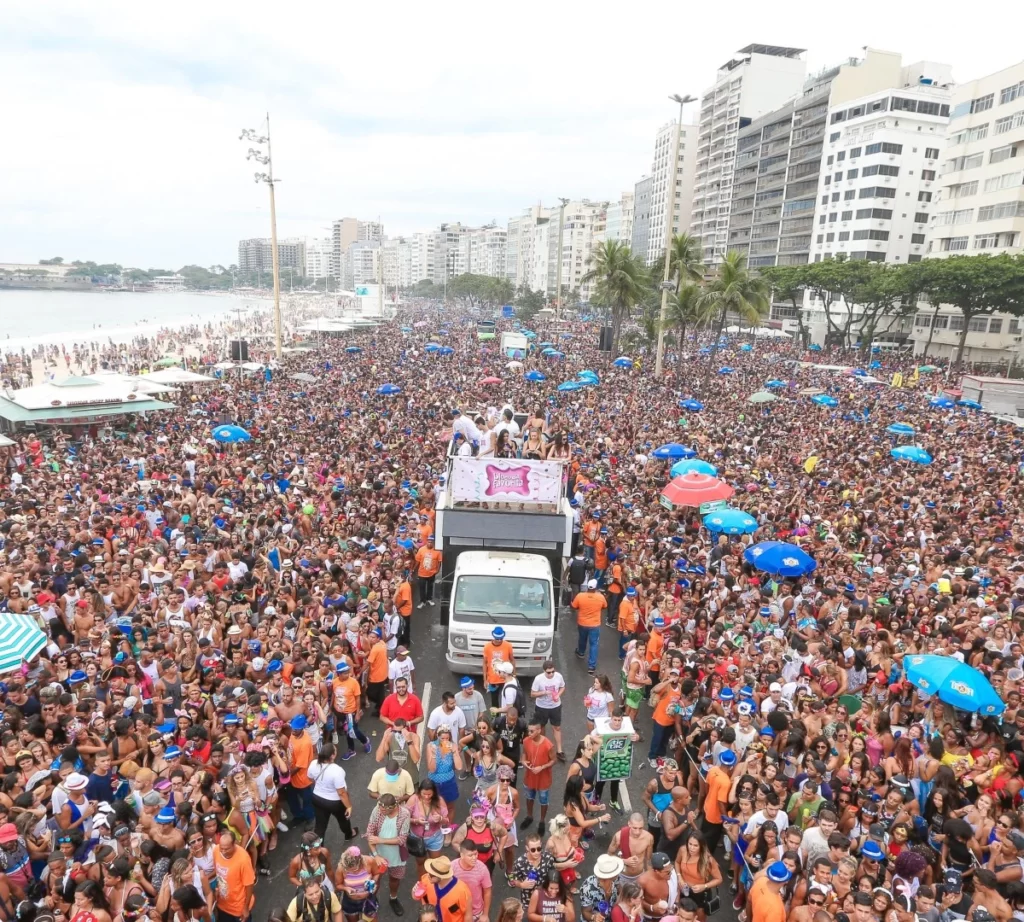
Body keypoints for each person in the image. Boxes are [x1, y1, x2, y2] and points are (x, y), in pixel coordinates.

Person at [365, 794, 410, 916]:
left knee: (395, 879)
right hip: (378, 855)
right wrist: (376, 855)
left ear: (394, 806)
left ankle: (393, 898)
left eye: (384, 810)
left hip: (397, 856)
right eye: (380, 808)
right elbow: (369, 833)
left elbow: (401, 839)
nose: (380, 811)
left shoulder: (405, 814)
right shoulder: (377, 810)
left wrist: (380, 840)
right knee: (375, 879)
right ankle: (372, 899)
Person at [308, 741, 355, 842]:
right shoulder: (337, 770)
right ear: (332, 755)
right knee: (343, 819)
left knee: (320, 827)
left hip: (317, 798)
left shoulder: (313, 764)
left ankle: (318, 850)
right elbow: (341, 793)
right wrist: (349, 806)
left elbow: (310, 778)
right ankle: (349, 834)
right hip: (334, 802)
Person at [212, 829, 255, 922]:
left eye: (226, 849)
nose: (223, 851)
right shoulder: (216, 850)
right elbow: (218, 873)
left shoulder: (243, 859)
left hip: (238, 908)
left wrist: (246, 908)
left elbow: (249, 885)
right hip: (222, 905)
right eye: (221, 848)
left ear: (234, 844)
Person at [521, 718, 556, 831]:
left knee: (543, 800)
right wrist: (523, 762)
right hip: (530, 776)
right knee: (529, 797)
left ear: (539, 730)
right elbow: (524, 754)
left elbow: (554, 760)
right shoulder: (526, 741)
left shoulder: (548, 745)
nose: (529, 733)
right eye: (528, 730)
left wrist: (542, 767)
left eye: (532, 731)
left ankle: (542, 821)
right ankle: (529, 816)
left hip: (543, 778)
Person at [530, 661, 566, 761]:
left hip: (555, 706)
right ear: (544, 671)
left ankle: (559, 751)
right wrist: (545, 692)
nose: (551, 674)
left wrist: (558, 694)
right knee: (541, 727)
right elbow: (532, 694)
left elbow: (563, 687)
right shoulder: (538, 679)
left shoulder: (558, 676)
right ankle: (543, 748)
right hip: (542, 707)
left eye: (552, 671)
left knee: (557, 727)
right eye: (548, 672)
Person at [571, 580, 606, 674]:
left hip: (582, 623)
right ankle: (591, 666)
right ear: (595, 588)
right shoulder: (600, 597)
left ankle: (581, 652)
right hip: (594, 624)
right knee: (594, 644)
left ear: (587, 587)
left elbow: (574, 606)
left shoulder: (580, 596)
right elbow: (604, 606)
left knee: (582, 639)